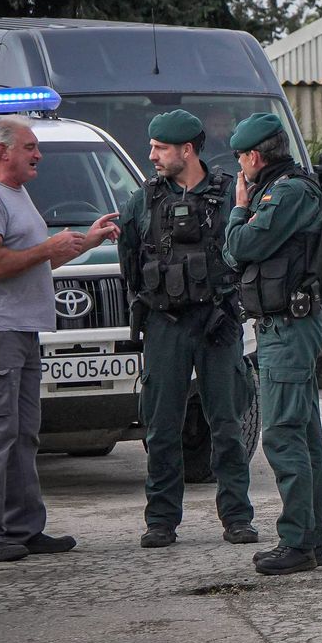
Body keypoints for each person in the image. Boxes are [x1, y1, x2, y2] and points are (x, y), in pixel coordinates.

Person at [0, 117, 119, 562]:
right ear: (2, 151)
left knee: (24, 434)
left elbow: (32, 264)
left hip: (19, 330)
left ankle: (23, 528)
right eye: (30, 147)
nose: (38, 154)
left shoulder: (15, 193)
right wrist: (48, 248)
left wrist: (84, 243)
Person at [117, 110, 257, 548]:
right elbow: (130, 262)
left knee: (228, 424)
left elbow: (246, 252)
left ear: (187, 151)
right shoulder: (144, 199)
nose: (152, 155)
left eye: (160, 148)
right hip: (165, 323)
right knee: (160, 426)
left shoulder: (230, 194)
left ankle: (236, 517)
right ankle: (161, 520)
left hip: (217, 324)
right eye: (153, 147)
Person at [223, 113, 322, 576]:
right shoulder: (285, 188)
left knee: (285, 434)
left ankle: (298, 542)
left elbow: (240, 247)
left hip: (289, 326)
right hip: (282, 325)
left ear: (253, 155)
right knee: (302, 433)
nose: (239, 168)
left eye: (240, 157)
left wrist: (239, 208)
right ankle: (310, 537)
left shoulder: (287, 192)